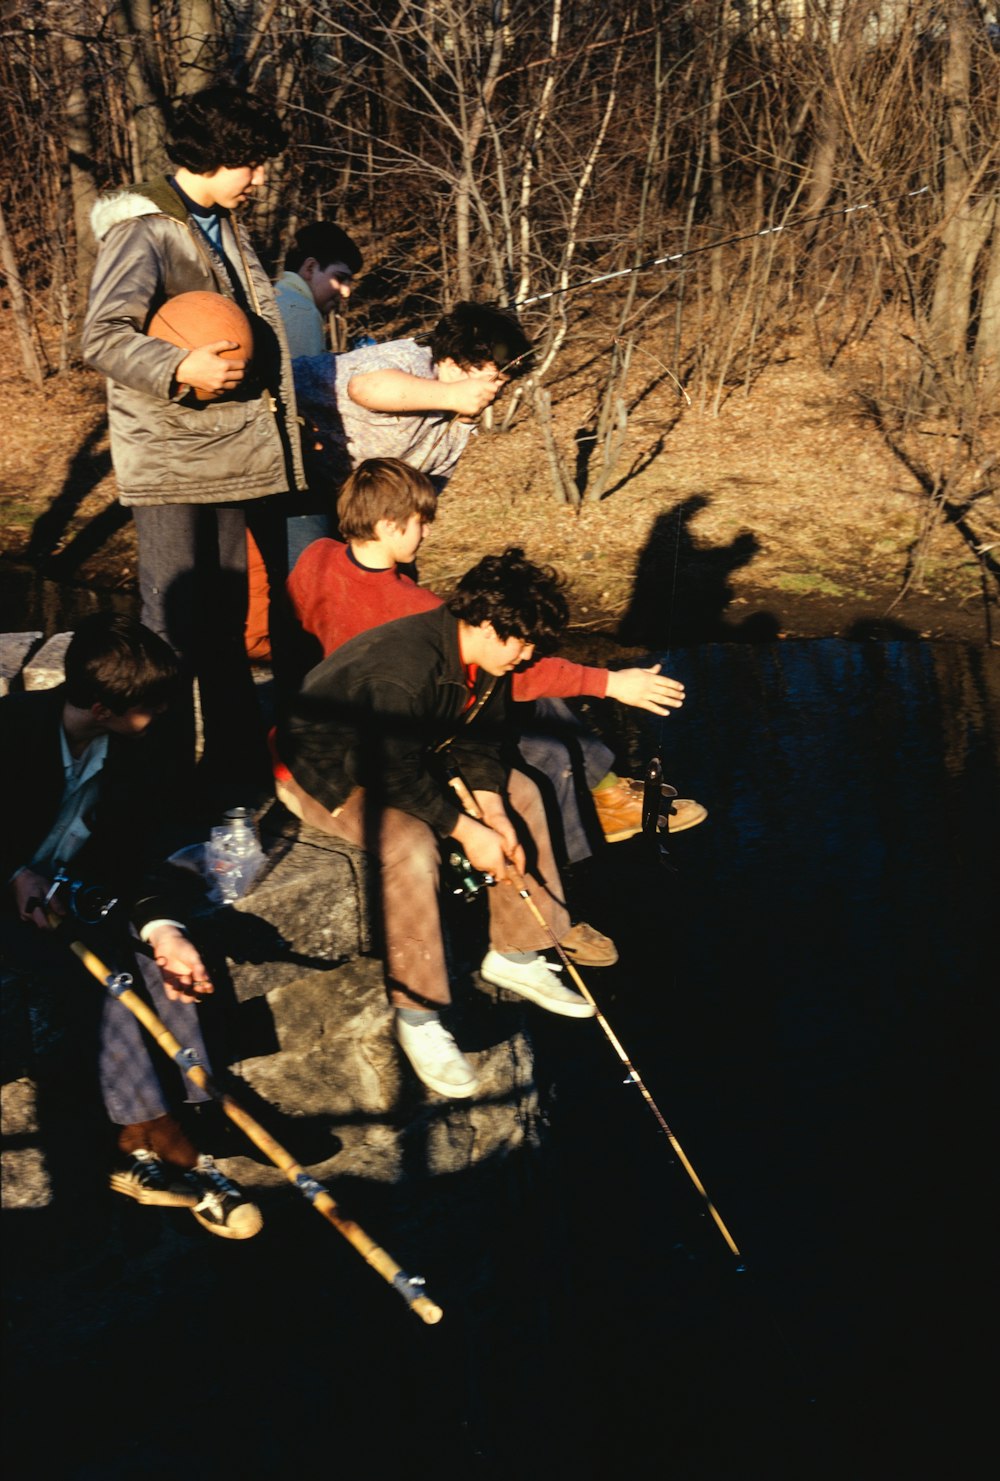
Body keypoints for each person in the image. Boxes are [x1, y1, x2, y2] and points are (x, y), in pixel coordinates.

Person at [275, 548, 618, 1099]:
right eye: (521, 642)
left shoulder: (488, 659)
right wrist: (467, 828)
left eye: (533, 645)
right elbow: (383, 772)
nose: (527, 656)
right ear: (482, 623)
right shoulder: (405, 669)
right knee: (410, 843)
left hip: (403, 753)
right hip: (325, 769)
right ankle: (419, 1017)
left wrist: (495, 810)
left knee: (523, 790)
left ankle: (518, 952)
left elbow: (481, 739)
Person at [286, 458, 708, 854]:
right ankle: (605, 802)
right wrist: (611, 684)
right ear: (389, 525)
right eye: (421, 523)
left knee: (535, 695)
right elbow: (511, 673)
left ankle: (607, 790)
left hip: (339, 695)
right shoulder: (412, 607)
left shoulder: (316, 556)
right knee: (536, 705)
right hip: (400, 711)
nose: (427, 533)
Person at [0, 613, 261, 1239]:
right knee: (105, 975)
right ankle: (166, 1142)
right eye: (151, 706)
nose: (163, 714)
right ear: (100, 706)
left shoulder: (136, 752)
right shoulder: (10, 732)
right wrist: (13, 871)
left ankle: (172, 1121)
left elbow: (132, 860)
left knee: (160, 957)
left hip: (72, 893)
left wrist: (163, 928)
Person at [82, 82, 305, 809]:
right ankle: (158, 787)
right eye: (254, 163)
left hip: (231, 455)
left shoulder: (227, 225)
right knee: (170, 631)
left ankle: (237, 776)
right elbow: (103, 335)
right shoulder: (145, 231)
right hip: (173, 461)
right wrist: (178, 364)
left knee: (227, 624)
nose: (262, 178)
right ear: (218, 156)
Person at [245, 221, 366, 660]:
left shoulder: (277, 299)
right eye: (341, 277)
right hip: (294, 477)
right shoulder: (296, 311)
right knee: (305, 584)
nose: (345, 292)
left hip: (267, 469)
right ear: (311, 267)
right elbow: (305, 395)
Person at [292, 300, 532, 498]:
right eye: (494, 379)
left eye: (505, 383)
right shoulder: (409, 360)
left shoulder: (458, 417)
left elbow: (424, 485)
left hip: (335, 491)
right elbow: (364, 387)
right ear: (454, 363)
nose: (497, 393)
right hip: (279, 453)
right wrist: (452, 396)